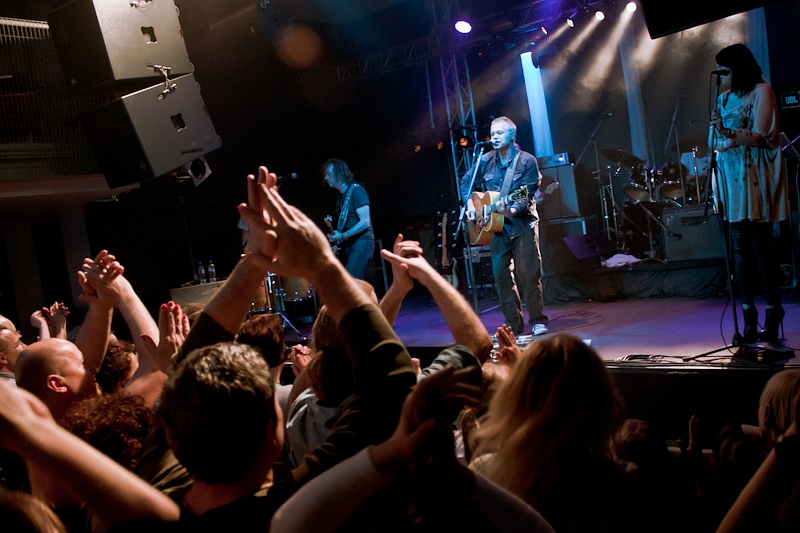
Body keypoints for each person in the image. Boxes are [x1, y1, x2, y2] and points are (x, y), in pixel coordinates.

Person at [710, 43, 790, 343]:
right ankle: (748, 318)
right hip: (732, 182)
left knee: (760, 249)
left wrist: (728, 134)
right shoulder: (723, 98)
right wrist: (720, 133)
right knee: (740, 253)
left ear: (738, 67)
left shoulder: (762, 93)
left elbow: (761, 136)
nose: (723, 75)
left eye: (726, 68)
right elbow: (714, 141)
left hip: (755, 178)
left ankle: (773, 312)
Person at [460, 116, 547, 335]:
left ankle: (537, 320)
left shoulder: (527, 161)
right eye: (492, 133)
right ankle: (513, 324)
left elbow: (524, 197)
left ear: (511, 135)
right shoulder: (486, 159)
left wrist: (511, 210)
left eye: (499, 133)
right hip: (497, 227)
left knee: (528, 274)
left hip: (522, 225)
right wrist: (470, 203)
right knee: (501, 277)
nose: (494, 137)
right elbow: (465, 183)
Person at [322, 158, 375, 280]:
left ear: (339, 174)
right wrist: (338, 243)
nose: (326, 178)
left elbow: (365, 222)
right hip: (349, 244)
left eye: (328, 174)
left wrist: (342, 235)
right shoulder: (340, 197)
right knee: (353, 284)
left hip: (362, 242)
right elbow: (345, 225)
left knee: (351, 283)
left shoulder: (357, 191)